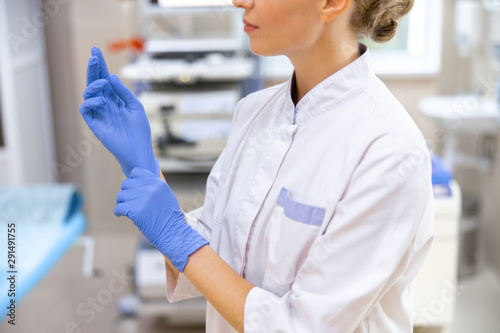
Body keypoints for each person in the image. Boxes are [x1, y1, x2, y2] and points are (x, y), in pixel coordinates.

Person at [79, 0, 434, 331]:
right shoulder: (253, 112)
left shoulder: (390, 151)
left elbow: (301, 325)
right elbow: (212, 252)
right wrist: (142, 166)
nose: (238, 1)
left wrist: (177, 237)